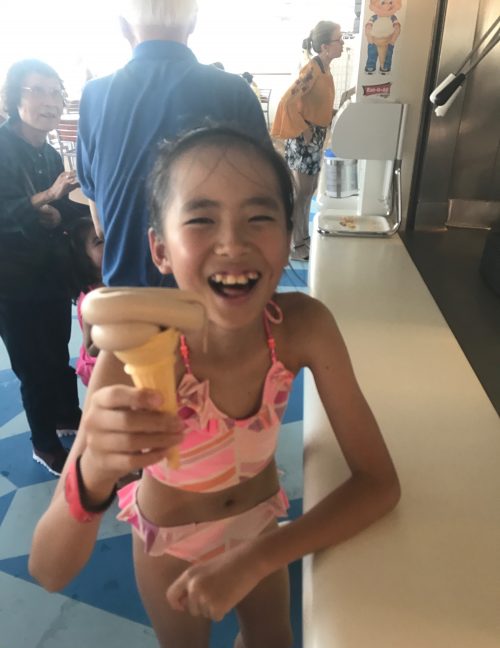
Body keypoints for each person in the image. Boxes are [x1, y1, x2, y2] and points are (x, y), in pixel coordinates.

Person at [29, 127, 400, 648]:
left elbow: (379, 483)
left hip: (259, 526)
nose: (232, 243)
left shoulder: (304, 328)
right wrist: (93, 474)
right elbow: (47, 570)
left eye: (260, 217)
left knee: (271, 647)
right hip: (169, 544)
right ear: (160, 249)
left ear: (289, 233)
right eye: (201, 219)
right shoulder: (133, 352)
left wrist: (256, 557)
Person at [77, 0, 269, 289]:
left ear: (123, 27)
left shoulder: (95, 96)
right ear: (193, 22)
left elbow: (99, 220)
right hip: (216, 289)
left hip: (126, 294)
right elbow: (263, 205)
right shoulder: (234, 93)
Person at [0, 59, 87, 476]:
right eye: (37, 91)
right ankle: (43, 441)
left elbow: (62, 211)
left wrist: (65, 214)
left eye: (56, 92)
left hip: (49, 272)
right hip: (11, 280)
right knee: (31, 364)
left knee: (57, 350)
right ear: (14, 98)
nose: (50, 102)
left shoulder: (49, 153)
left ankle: (67, 415)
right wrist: (46, 198)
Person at [272, 21, 343, 261]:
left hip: (315, 137)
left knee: (308, 191)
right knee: (301, 193)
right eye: (339, 39)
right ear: (325, 47)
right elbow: (287, 101)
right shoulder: (311, 70)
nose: (342, 44)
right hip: (305, 139)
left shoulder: (324, 70)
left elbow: (316, 103)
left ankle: (302, 238)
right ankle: (295, 246)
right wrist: (303, 130)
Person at [65, 216, 104, 386]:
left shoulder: (120, 281)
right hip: (98, 368)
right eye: (99, 242)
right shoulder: (92, 299)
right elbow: (91, 348)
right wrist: (113, 336)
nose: (109, 243)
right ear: (84, 259)